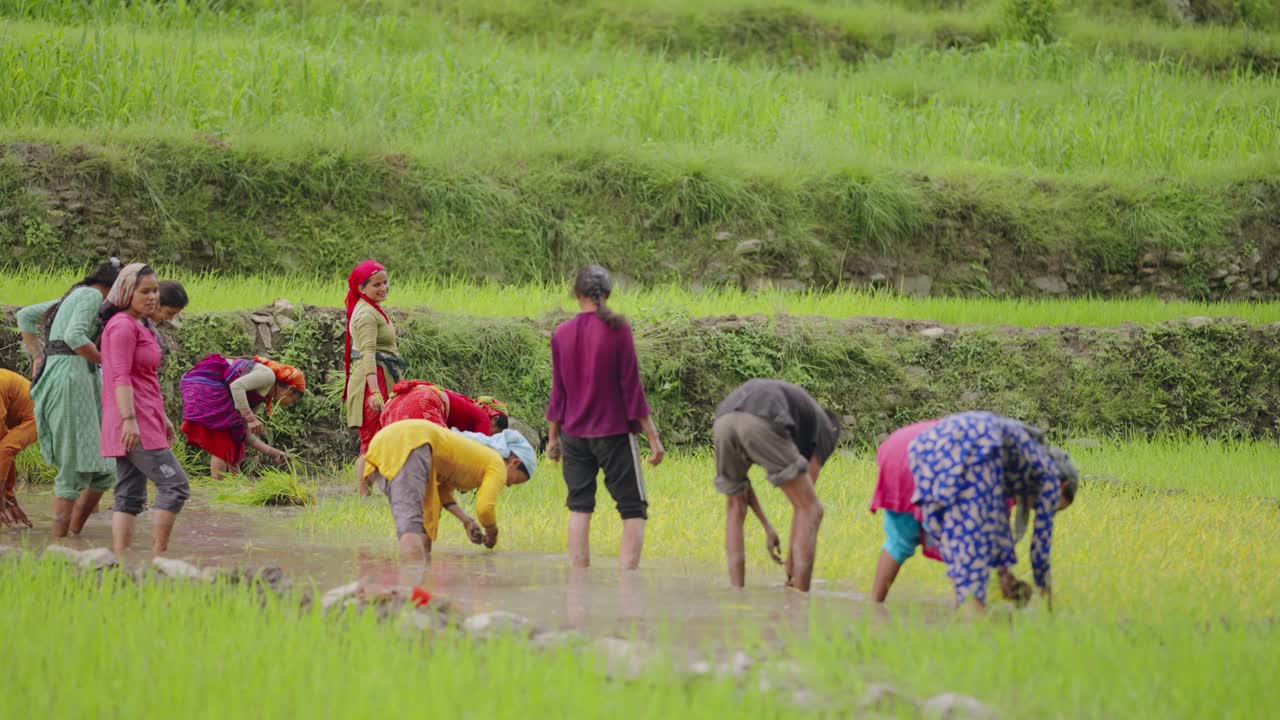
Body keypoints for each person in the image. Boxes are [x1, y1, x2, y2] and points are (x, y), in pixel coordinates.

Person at [546, 265, 664, 571]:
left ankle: (579, 584)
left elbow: (558, 392)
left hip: (573, 436)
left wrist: (553, 437)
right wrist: (652, 435)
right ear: (608, 294)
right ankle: (627, 585)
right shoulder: (617, 329)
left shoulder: (561, 333)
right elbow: (632, 388)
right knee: (633, 510)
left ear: (576, 295)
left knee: (579, 506)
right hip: (614, 433)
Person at [908, 411, 1080, 614]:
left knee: (959, 545)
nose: (1045, 509)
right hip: (979, 442)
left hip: (930, 444)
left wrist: (1004, 572)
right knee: (972, 550)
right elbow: (1040, 549)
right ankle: (974, 625)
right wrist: (1048, 600)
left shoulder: (1013, 470)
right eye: (1057, 507)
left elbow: (998, 525)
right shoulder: (1050, 476)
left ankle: (965, 614)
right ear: (1063, 486)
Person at [870, 418, 1030, 605]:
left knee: (899, 540)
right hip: (923, 457)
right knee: (960, 542)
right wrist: (1005, 576)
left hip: (898, 450)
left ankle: (874, 607)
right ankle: (967, 613)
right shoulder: (1007, 473)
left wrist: (1005, 575)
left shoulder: (1004, 453)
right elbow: (983, 534)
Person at [16, 259, 122, 536]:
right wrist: (108, 363)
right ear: (115, 286)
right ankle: (59, 541)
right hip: (70, 377)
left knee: (103, 469)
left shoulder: (75, 295)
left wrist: (39, 356)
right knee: (74, 463)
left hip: (78, 377)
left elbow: (26, 314)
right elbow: (75, 337)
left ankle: (73, 535)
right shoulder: (90, 295)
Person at [713, 379, 840, 592]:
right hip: (762, 415)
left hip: (724, 419)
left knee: (734, 509)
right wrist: (791, 565)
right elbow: (804, 507)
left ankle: (736, 593)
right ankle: (798, 595)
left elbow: (742, 488)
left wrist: (767, 526)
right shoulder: (826, 429)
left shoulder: (800, 416)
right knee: (811, 509)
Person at [99, 264, 191, 553]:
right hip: (134, 422)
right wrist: (129, 420)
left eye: (154, 291)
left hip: (144, 419)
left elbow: (144, 379)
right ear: (127, 291)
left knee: (129, 494)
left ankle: (120, 560)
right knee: (175, 486)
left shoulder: (138, 325)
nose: (152, 297)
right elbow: (121, 376)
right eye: (145, 291)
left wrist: (161, 416)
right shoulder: (123, 326)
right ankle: (158, 555)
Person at [361, 419, 537, 561]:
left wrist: (467, 521)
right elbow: (485, 508)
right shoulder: (497, 464)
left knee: (423, 526)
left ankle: (419, 583)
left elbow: (440, 491)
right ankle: (411, 593)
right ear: (515, 463)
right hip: (413, 442)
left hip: (395, 439)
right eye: (514, 481)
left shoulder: (474, 457)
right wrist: (492, 532)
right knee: (412, 526)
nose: (508, 485)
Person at [180, 355, 306, 479]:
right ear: (290, 389)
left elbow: (244, 430)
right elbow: (236, 386)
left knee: (235, 431)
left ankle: (233, 483)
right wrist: (250, 417)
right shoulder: (268, 376)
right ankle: (219, 486)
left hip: (203, 384)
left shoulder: (259, 395)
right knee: (224, 437)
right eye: (292, 401)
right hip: (204, 381)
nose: (289, 404)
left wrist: (273, 453)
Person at [344, 260, 404, 494]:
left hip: (380, 375)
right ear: (361, 288)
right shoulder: (367, 315)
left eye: (385, 282)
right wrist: (375, 391)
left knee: (381, 437)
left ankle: (373, 490)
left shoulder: (370, 308)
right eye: (376, 284)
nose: (383, 288)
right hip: (373, 378)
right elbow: (367, 352)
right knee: (371, 440)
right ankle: (364, 493)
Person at [381, 379, 509, 434]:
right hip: (423, 403)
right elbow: (480, 451)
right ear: (494, 419)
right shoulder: (482, 418)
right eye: (495, 433)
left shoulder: (464, 405)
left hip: (393, 404)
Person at [0, 369, 37, 528]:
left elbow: (5, 450)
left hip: (37, 415)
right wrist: (8, 494)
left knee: (5, 449)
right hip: (16, 415)